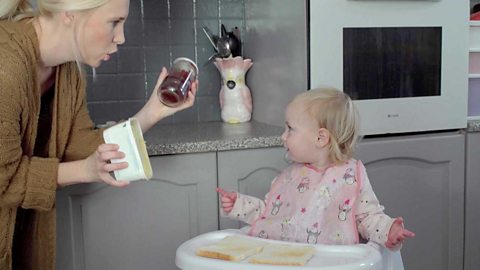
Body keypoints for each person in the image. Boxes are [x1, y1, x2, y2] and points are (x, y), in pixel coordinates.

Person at [0, 0, 198, 269]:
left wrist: (153, 112)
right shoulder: (5, 64)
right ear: (70, 13)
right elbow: (5, 178)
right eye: (114, 22)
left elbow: (82, 146)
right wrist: (84, 170)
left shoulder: (67, 71)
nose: (121, 37)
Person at [217, 88, 414, 250]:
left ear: (321, 138)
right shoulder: (291, 175)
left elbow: (367, 218)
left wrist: (389, 230)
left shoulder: (351, 177)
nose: (283, 136)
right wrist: (239, 204)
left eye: (290, 129)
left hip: (333, 263)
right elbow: (270, 215)